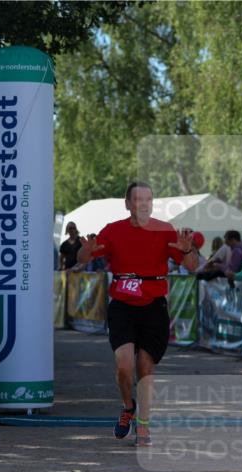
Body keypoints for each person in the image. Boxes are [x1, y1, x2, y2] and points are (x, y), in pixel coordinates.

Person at [75, 182, 199, 446]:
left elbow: (191, 266)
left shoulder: (165, 230)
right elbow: (84, 258)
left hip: (154, 305)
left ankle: (143, 425)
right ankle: (127, 407)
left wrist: (187, 249)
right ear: (127, 204)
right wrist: (86, 249)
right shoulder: (113, 230)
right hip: (122, 304)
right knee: (124, 366)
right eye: (138, 199)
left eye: (148, 199)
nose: (143, 204)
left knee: (145, 366)